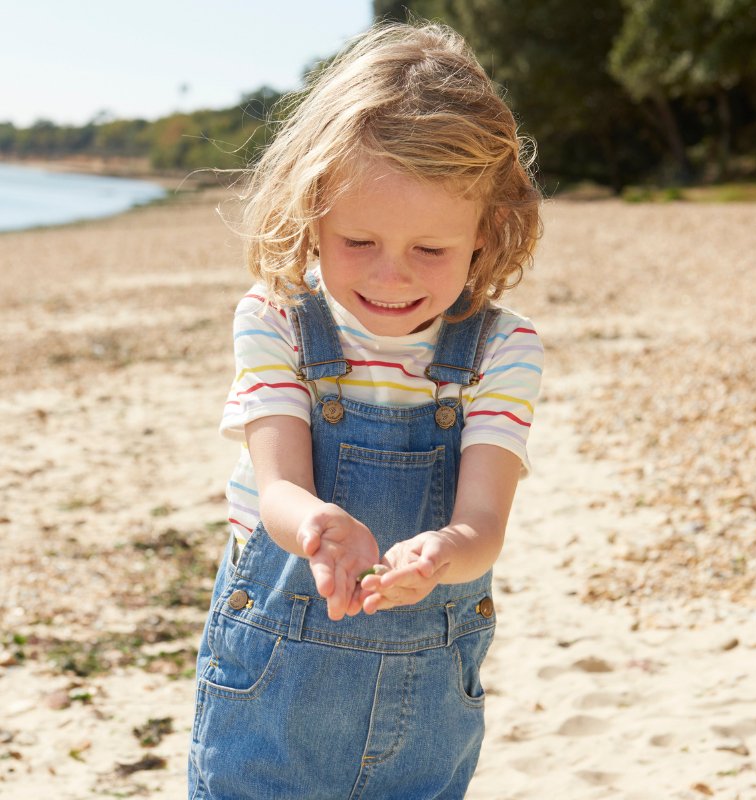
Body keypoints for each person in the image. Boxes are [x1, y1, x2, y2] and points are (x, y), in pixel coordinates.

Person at [189, 19, 544, 800]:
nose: (391, 276)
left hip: (427, 712)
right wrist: (314, 525)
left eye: (431, 250)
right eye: (358, 241)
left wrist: (442, 554)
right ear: (312, 207)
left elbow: (484, 523)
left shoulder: (501, 349)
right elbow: (278, 482)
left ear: (485, 233)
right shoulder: (276, 318)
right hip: (269, 694)